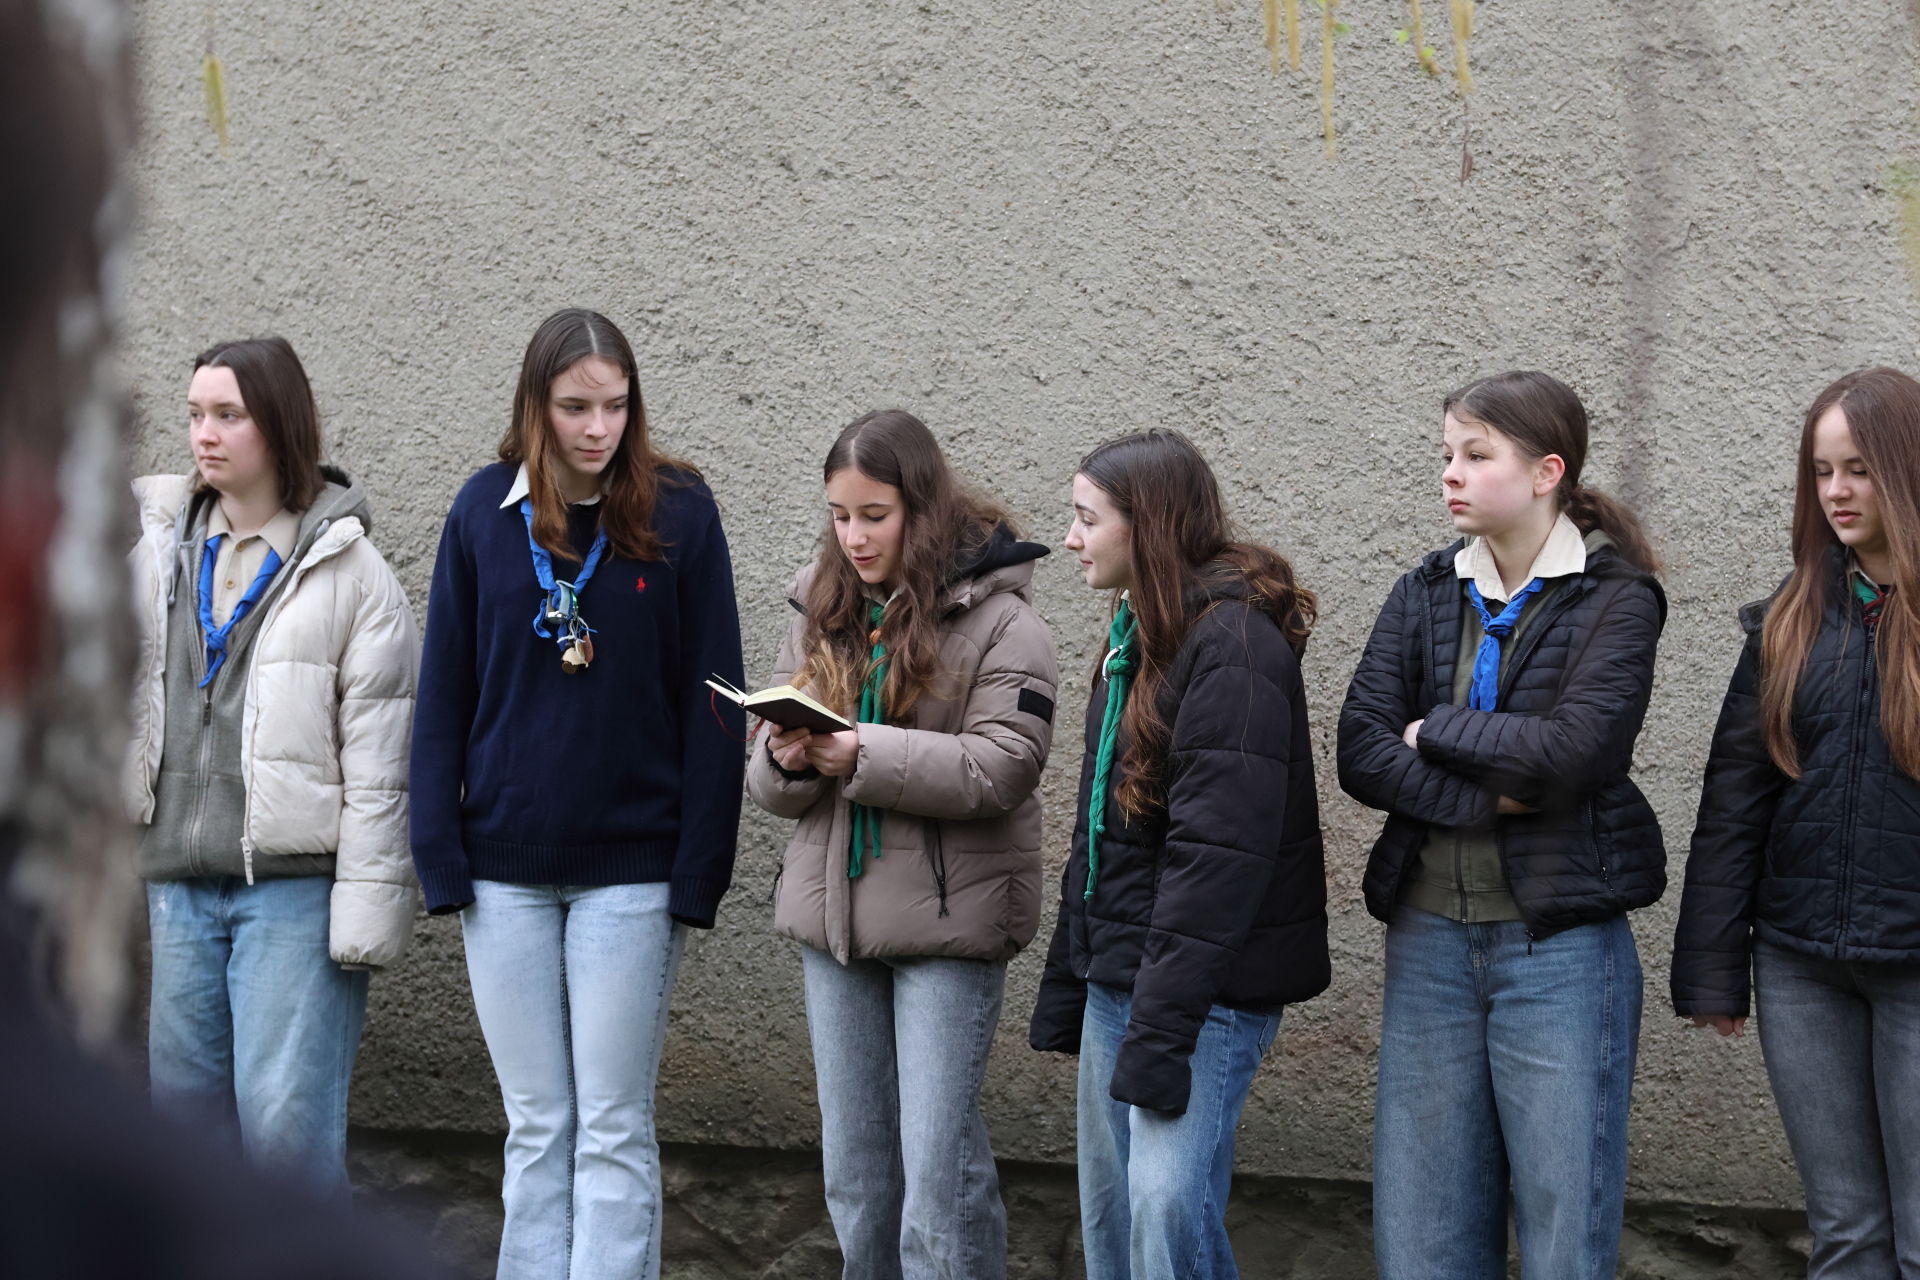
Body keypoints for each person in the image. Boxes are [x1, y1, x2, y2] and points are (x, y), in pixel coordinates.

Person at [409, 309, 745, 1280]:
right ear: (536, 405)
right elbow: (443, 694)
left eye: (615, 405)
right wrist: (439, 852)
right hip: (501, 873)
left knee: (611, 1122)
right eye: (573, 407)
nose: (597, 428)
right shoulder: (483, 511)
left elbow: (713, 700)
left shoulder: (681, 512)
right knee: (536, 1123)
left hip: (631, 875)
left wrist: (700, 869)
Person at [1336, 370, 1667, 1278]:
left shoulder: (1616, 598)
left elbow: (1572, 754)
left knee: (1565, 1232)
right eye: (1447, 453)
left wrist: (1431, 731)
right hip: (1428, 942)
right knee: (1425, 1233)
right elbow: (1360, 749)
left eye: (1476, 455)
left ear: (1546, 471)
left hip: (1558, 952)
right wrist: (1487, 796)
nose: (1451, 473)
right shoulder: (1424, 591)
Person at [746, 408, 1058, 1280]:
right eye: (839, 515)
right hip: (835, 927)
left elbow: (1002, 766)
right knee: (856, 1176)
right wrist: (784, 758)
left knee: (938, 1182)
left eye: (873, 516)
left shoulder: (1005, 623)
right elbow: (765, 788)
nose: (853, 537)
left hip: (948, 931)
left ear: (920, 509)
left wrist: (861, 754)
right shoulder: (820, 606)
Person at [125, 336, 420, 1202]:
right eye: (194, 414)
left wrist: (364, 915)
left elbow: (381, 766)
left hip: (291, 895)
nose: (203, 435)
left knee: (286, 1150)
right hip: (177, 885)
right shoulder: (156, 552)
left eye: (229, 415)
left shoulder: (351, 573)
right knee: (183, 1150)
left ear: (280, 425)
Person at [1028, 428, 1327, 1280]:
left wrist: (1161, 1032)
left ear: (1148, 526)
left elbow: (1216, 860)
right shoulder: (1138, 635)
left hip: (1204, 994)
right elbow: (1100, 828)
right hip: (1120, 976)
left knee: (1166, 1210)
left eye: (1088, 519)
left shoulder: (1233, 647)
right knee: (1115, 1216)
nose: (1072, 539)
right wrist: (1074, 976)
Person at [1672, 367, 1920, 1277]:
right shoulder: (1791, 618)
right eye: (1822, 471)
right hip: (1800, 965)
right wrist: (1712, 968)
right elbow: (1735, 799)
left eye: (1859, 469)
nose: (1837, 492)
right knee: (1846, 1231)